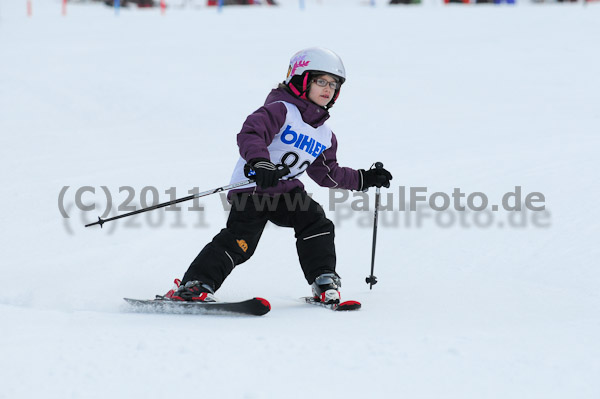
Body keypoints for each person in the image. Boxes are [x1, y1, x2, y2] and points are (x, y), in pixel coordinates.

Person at [167, 47, 392, 304]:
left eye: (334, 84)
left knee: (316, 222)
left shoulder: (324, 135)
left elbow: (327, 174)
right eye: (320, 81)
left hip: (287, 193)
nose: (328, 89)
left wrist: (364, 178)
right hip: (253, 188)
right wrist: (261, 162)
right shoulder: (280, 109)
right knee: (241, 242)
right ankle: (195, 285)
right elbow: (251, 133)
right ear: (300, 79)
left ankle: (324, 281)